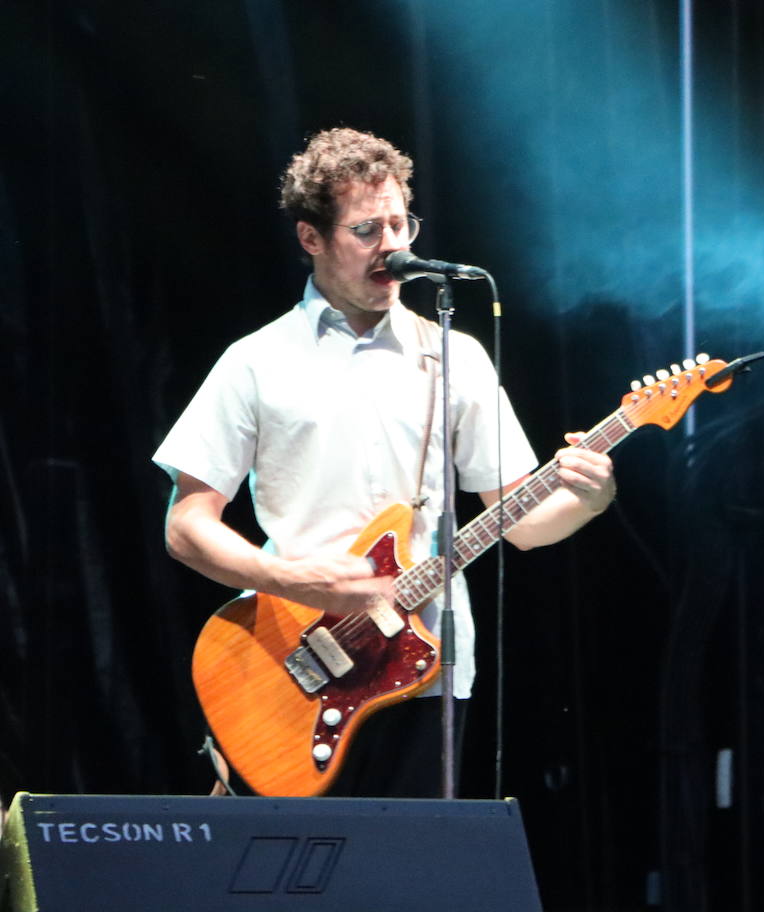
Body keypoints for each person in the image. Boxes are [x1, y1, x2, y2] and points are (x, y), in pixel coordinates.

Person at [153, 127, 615, 797]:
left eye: (402, 223)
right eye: (367, 230)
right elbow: (185, 526)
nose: (393, 246)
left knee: (414, 885)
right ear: (312, 237)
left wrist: (591, 498)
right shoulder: (256, 361)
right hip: (292, 672)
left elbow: (520, 521)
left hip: (421, 671)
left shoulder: (453, 354)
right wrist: (291, 579)